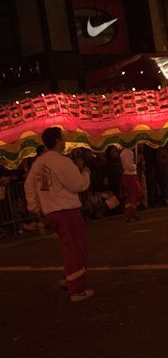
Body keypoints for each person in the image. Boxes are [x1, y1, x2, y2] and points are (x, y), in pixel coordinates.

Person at [24, 127, 94, 302]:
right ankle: (77, 289)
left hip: (52, 211)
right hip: (66, 210)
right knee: (75, 249)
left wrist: (34, 206)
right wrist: (85, 174)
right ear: (57, 140)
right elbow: (77, 184)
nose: (64, 141)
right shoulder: (60, 161)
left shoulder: (39, 163)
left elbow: (29, 185)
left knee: (70, 247)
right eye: (62, 137)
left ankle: (69, 279)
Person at [120, 147, 142, 222]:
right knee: (132, 196)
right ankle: (130, 214)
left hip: (130, 175)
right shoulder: (128, 152)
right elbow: (129, 166)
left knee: (133, 195)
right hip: (130, 175)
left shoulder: (126, 152)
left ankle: (132, 213)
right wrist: (135, 164)